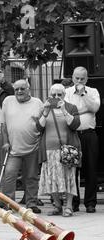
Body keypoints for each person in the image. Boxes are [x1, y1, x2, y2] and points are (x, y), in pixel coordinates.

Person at [36, 84, 81, 217]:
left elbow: (75, 125)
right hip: (49, 150)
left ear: (64, 95)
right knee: (51, 179)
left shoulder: (71, 107)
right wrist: (45, 112)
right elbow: (39, 128)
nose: (56, 97)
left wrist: (64, 110)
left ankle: (68, 207)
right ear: (50, 95)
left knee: (69, 178)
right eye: (53, 95)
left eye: (59, 95)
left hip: (67, 150)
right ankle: (57, 206)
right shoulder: (45, 108)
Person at [0, 79, 44, 213]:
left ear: (28, 89)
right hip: (13, 148)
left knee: (31, 177)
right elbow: (3, 125)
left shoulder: (38, 103)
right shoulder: (8, 101)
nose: (19, 91)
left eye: (22, 89)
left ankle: (31, 203)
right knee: (9, 175)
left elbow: (42, 125)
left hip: (33, 147)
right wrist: (5, 142)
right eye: (16, 89)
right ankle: (9, 203)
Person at [64, 66, 101, 213]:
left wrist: (83, 95)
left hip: (89, 134)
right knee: (72, 170)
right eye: (77, 78)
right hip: (72, 134)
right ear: (72, 77)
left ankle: (90, 203)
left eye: (82, 78)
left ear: (87, 79)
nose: (79, 81)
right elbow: (66, 111)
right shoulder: (66, 92)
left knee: (91, 169)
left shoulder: (93, 92)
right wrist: (84, 110)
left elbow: (95, 108)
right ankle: (73, 202)